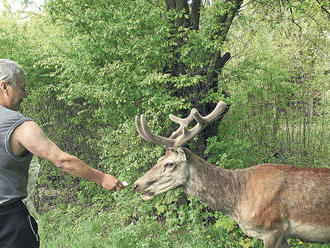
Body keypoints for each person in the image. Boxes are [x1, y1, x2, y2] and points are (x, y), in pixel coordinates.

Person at [0, 59, 125, 248]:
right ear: (5, 87)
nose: (25, 94)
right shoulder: (20, 126)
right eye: (22, 88)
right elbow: (62, 161)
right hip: (8, 220)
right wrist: (102, 178)